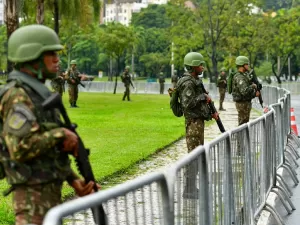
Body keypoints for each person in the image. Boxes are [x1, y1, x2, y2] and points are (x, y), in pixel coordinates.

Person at [0, 24, 98, 225]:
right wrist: (61, 135)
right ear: (32, 57)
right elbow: (19, 147)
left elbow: (48, 151)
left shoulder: (37, 94)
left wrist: (73, 180)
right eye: (50, 54)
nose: (57, 59)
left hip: (48, 196)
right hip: (31, 200)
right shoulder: (18, 96)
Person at [176, 52, 218, 199]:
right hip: (193, 124)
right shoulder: (188, 82)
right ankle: (188, 189)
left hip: (198, 123)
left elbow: (199, 106)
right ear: (193, 65)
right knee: (193, 156)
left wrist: (210, 113)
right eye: (200, 64)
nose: (202, 67)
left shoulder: (195, 80)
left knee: (197, 155)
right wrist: (203, 97)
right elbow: (188, 104)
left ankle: (192, 187)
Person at [232, 56, 260, 126]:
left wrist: (254, 94)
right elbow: (244, 91)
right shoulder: (239, 77)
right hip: (242, 104)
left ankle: (242, 137)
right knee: (242, 125)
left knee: (245, 124)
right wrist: (253, 86)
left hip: (245, 103)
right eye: (247, 64)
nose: (248, 66)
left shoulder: (244, 75)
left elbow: (246, 92)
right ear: (242, 65)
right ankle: (239, 137)